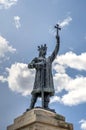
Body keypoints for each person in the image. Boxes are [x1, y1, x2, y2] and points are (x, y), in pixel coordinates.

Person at [28, 24, 60, 109]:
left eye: (45, 51)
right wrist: (37, 65)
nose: (44, 52)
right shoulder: (37, 58)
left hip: (47, 79)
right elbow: (30, 65)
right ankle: (31, 107)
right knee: (35, 92)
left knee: (47, 93)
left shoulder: (49, 59)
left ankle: (46, 107)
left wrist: (58, 41)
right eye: (43, 50)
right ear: (40, 51)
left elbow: (55, 52)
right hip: (39, 79)